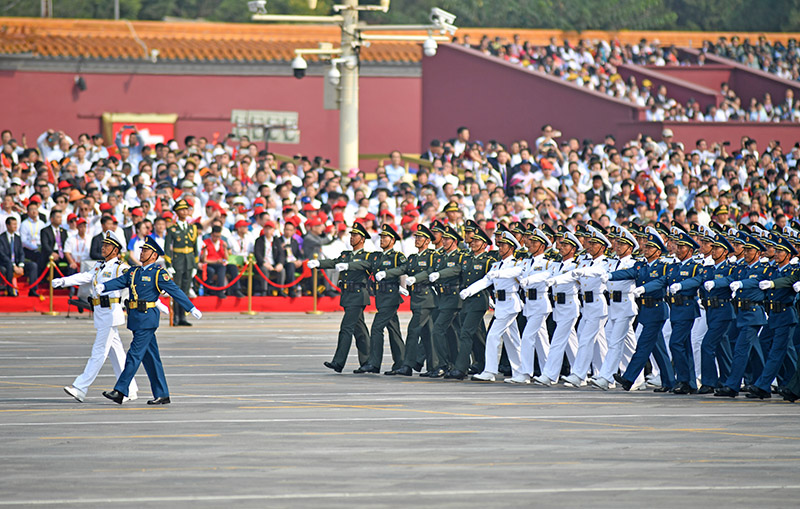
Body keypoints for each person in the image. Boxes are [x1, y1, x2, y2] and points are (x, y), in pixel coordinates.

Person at [97, 236, 202, 405]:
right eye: (142, 250)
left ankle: (120, 391)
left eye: (145, 250)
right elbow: (120, 281)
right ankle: (162, 394)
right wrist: (104, 286)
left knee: (134, 354)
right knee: (151, 358)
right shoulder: (134, 272)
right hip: (136, 318)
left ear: (154, 255)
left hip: (147, 319)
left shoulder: (158, 273)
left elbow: (175, 291)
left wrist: (191, 308)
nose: (142, 253)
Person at [52, 232, 143, 403]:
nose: (103, 248)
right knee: (117, 354)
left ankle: (80, 387)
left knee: (99, 351)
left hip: (110, 313)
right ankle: (130, 389)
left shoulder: (120, 267)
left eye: (107, 245)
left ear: (115, 250)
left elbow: (133, 281)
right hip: (101, 312)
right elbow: (85, 277)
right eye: (103, 245)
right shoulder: (100, 265)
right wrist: (64, 281)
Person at [609, 234, 676, 393]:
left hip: (657, 309)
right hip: (646, 310)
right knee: (658, 349)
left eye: (650, 247)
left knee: (643, 345)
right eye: (646, 246)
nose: (646, 249)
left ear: (658, 252)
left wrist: (644, 289)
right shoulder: (641, 266)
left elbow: (660, 282)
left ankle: (629, 378)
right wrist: (610, 275)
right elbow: (627, 273)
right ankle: (669, 382)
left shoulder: (663, 267)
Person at [710, 233, 769, 398]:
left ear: (758, 253)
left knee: (741, 350)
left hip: (753, 314)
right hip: (742, 313)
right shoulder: (742, 267)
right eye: (746, 249)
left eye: (750, 250)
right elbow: (730, 279)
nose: (746, 252)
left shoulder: (762, 268)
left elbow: (755, 281)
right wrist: (715, 283)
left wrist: (741, 283)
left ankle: (732, 385)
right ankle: (761, 386)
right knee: (754, 352)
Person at [307, 222, 371, 373]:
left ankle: (338, 362)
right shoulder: (346, 255)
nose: (352, 237)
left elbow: (365, 265)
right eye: (351, 235)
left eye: (355, 235)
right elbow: (334, 262)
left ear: (362, 239)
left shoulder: (367, 256)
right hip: (348, 295)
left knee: (346, 328)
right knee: (360, 330)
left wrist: (349, 266)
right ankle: (368, 362)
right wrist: (318, 263)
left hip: (358, 295)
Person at [461, 231, 524, 382]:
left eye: (503, 245)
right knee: (513, 340)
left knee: (492, 336)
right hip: (501, 305)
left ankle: (489, 371)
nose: (500, 248)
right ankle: (521, 372)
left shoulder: (516, 263)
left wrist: (499, 274)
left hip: (510, 303)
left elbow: (516, 272)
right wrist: (469, 291)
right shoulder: (496, 264)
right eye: (499, 245)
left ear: (511, 248)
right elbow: (485, 280)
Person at [415, 224, 466, 378]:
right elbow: (430, 271)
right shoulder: (441, 257)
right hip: (442, 298)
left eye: (447, 239)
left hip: (454, 297)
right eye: (443, 238)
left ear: (454, 241)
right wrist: (416, 279)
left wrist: (440, 274)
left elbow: (456, 269)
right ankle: (455, 366)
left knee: (438, 330)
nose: (443, 241)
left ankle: (444, 365)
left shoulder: (460, 256)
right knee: (451, 333)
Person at [386, 224, 436, 376]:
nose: (417, 239)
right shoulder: (413, 258)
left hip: (426, 298)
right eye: (416, 237)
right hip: (416, 298)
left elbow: (430, 271)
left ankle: (407, 365)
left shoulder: (432, 256)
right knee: (428, 334)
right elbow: (402, 269)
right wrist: (386, 273)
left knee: (413, 330)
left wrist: (416, 278)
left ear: (427, 240)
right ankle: (434, 366)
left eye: (420, 237)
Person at [356, 224, 407, 374]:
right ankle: (401, 363)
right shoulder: (377, 257)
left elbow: (404, 268)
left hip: (391, 297)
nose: (382, 239)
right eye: (381, 237)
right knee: (393, 329)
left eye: (385, 237)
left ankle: (374, 363)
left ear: (392, 240)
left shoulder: (397, 256)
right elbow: (364, 264)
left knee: (376, 328)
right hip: (381, 297)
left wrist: (389, 275)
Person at [752, 236, 799, 399]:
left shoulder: (792, 270)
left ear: (788, 255)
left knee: (777, 351)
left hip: (786, 315)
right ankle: (789, 383)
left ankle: (763, 385)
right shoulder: (772, 270)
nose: (777, 254)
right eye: (776, 251)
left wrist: (772, 284)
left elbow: (788, 281)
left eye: (780, 251)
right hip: (773, 315)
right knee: (777, 348)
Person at [447, 226, 493, 380]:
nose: (473, 243)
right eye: (472, 241)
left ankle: (461, 368)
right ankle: (483, 363)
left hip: (479, 301)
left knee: (466, 333)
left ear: (484, 244)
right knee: (476, 334)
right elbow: (456, 271)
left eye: (477, 241)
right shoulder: (467, 259)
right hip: (466, 302)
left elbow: (491, 280)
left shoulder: (488, 261)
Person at [164, 199, 198, 326]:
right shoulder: (172, 229)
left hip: (189, 261)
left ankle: (183, 316)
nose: (185, 212)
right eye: (182, 210)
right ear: (177, 212)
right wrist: (169, 265)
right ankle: (176, 317)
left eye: (186, 209)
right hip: (178, 262)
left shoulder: (192, 228)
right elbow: (167, 248)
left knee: (185, 290)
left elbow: (195, 248)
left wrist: (195, 265)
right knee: (177, 290)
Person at [0, 217, 38, 296]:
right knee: (9, 265)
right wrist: (13, 266)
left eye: (16, 224)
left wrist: (21, 265)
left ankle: (33, 290)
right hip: (6, 263)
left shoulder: (17, 238)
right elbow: (2, 254)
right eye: (13, 224)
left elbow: (21, 253)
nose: (15, 226)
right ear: (7, 225)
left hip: (17, 262)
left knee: (33, 265)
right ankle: (10, 290)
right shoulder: (1, 238)